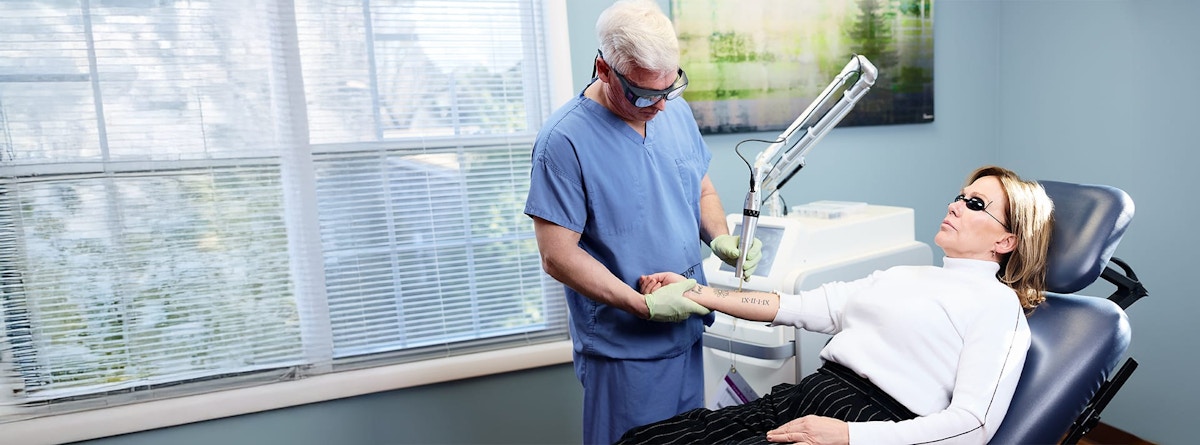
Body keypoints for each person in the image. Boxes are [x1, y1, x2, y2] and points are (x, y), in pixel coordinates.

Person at [618, 165, 1055, 445]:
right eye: (960, 195)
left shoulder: (997, 307)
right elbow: (794, 306)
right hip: (803, 398)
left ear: (1006, 240)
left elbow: (972, 425)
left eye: (975, 204)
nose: (955, 205)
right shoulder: (906, 274)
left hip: (871, 423)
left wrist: (849, 436)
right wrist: (694, 291)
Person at [522, 1, 762, 444]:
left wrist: (721, 237)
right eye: (644, 94)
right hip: (624, 353)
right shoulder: (564, 142)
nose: (659, 106)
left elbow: (701, 190)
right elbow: (557, 257)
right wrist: (642, 305)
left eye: (669, 89)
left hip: (688, 330)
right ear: (603, 68)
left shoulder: (675, 112)